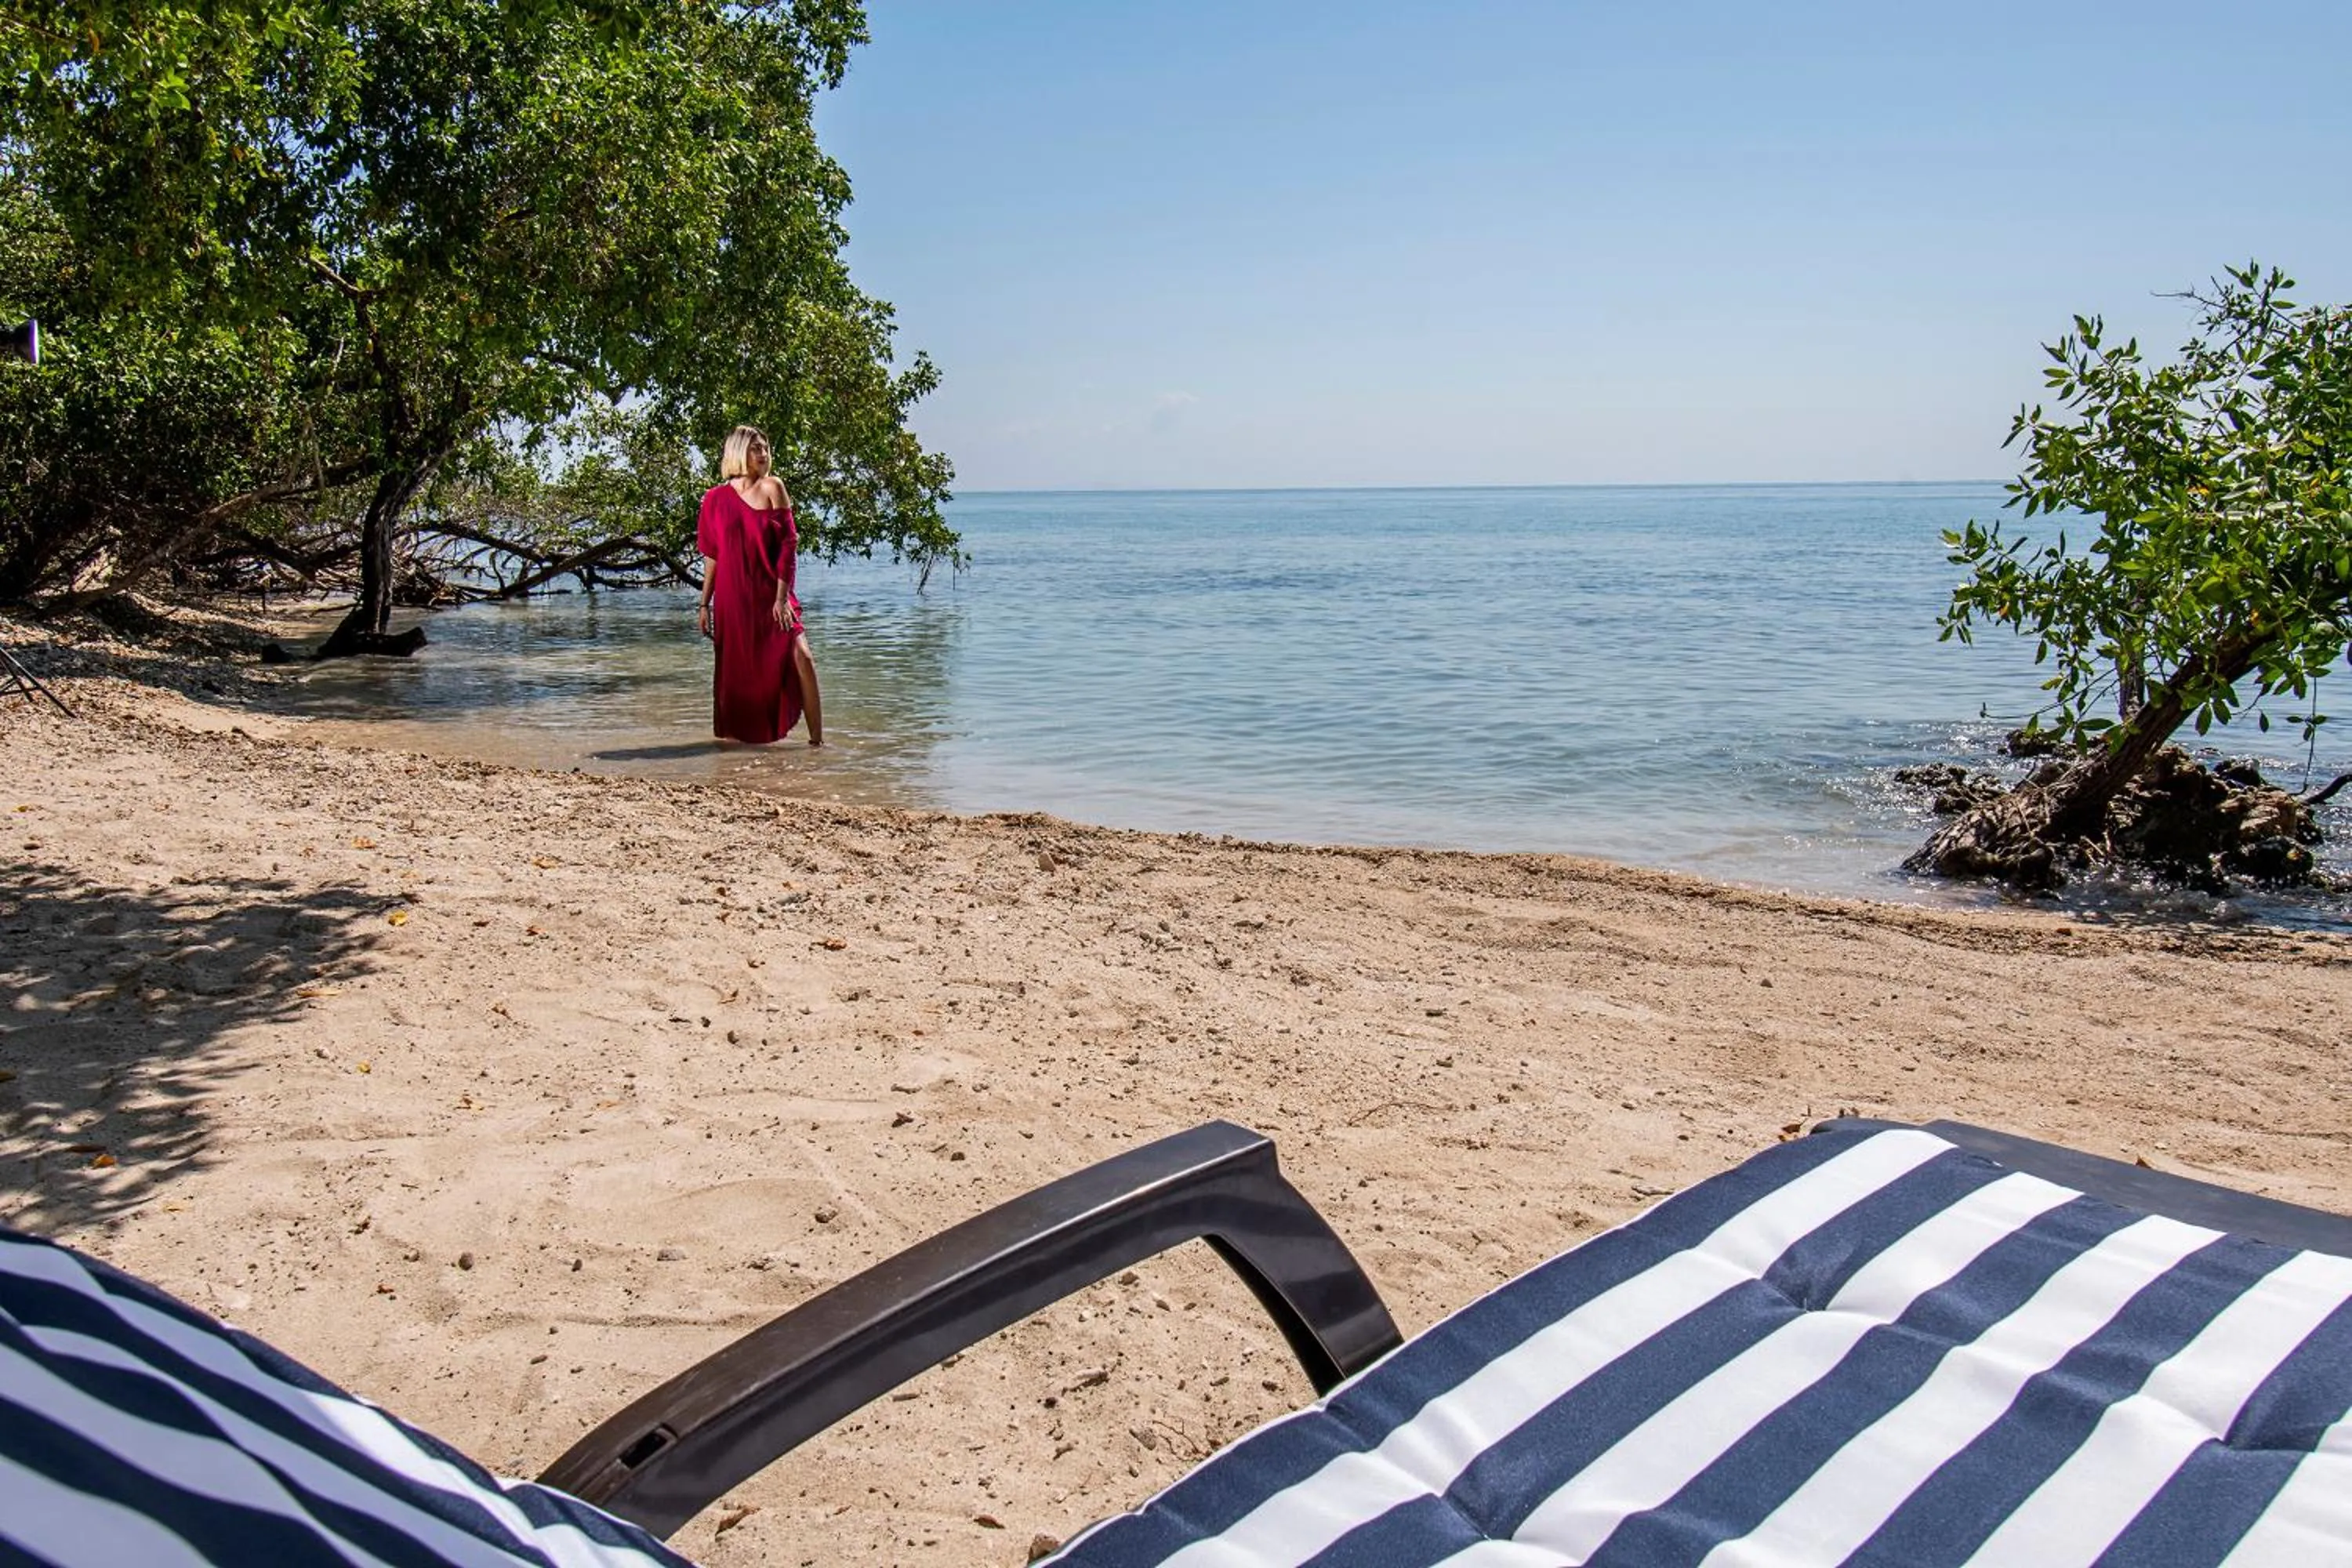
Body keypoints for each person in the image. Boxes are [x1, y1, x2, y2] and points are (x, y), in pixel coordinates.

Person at [696, 425, 824, 746]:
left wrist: (781, 598)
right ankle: (734, 748)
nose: (764, 454)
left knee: (803, 658)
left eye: (766, 448)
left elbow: (789, 547)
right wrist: (704, 604)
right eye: (756, 448)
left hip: (773, 596)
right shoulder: (714, 499)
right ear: (739, 452)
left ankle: (817, 743)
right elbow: (712, 555)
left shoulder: (773, 488)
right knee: (736, 675)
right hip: (733, 599)